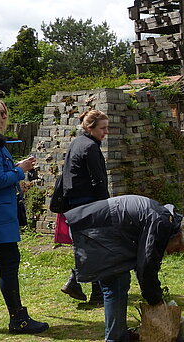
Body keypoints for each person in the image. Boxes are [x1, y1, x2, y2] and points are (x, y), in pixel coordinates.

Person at [64, 195, 184, 342]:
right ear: (177, 236)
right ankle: (116, 338)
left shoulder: (163, 218)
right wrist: (155, 300)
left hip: (98, 223)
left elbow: (143, 259)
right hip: (96, 226)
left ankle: (119, 334)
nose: (171, 252)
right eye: (177, 249)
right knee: (116, 285)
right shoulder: (162, 223)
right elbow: (146, 264)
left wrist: (153, 295)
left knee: (119, 281)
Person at [0, 97, 49, 334]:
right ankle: (19, 320)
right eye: (0, 112)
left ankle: (18, 319)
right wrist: (20, 171)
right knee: (9, 263)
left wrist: (16, 166)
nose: (5, 116)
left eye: (6, 112)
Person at [60, 109, 110, 305]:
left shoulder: (77, 143)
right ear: (90, 128)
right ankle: (92, 290)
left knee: (87, 246)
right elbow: (98, 181)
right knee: (93, 246)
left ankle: (80, 284)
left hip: (75, 202)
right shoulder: (90, 147)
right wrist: (105, 206)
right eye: (103, 128)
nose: (106, 132)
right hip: (87, 203)